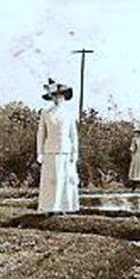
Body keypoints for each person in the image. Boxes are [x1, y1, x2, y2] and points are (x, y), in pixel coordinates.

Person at [36, 79, 80, 214]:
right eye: (54, 96)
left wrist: (74, 153)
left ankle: (64, 207)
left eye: (60, 96)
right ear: (51, 97)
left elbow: (73, 136)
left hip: (65, 150)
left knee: (65, 179)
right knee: (51, 180)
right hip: (50, 150)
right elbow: (41, 134)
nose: (57, 98)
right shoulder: (46, 113)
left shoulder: (69, 114)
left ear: (64, 97)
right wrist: (40, 152)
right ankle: (50, 207)